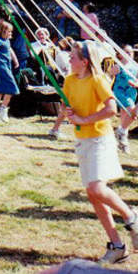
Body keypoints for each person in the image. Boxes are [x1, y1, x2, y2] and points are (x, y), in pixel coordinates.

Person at [60, 40, 138, 264]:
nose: (69, 59)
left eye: (73, 57)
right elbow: (68, 107)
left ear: (84, 62)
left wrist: (84, 119)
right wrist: (67, 115)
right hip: (82, 141)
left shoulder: (97, 79)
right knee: (93, 194)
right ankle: (117, 246)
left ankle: (131, 216)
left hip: (100, 139)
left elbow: (111, 109)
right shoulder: (69, 81)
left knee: (96, 187)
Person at [111, 45, 137, 155]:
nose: (128, 54)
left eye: (130, 52)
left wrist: (135, 84)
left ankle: (122, 142)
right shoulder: (118, 65)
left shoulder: (136, 66)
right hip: (121, 92)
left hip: (132, 93)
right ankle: (121, 132)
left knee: (124, 117)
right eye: (126, 52)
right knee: (132, 112)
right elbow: (110, 75)